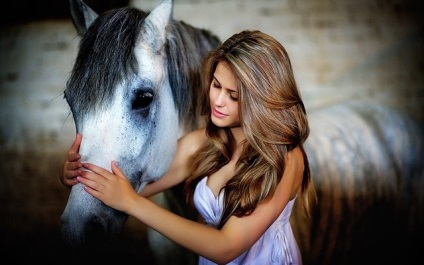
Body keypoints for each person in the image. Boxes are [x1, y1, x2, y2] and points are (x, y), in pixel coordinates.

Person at [61, 30, 316, 265]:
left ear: (262, 99)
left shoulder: (286, 159)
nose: (218, 100)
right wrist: (79, 175)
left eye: (233, 95)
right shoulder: (201, 143)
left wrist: (132, 204)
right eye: (216, 85)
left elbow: (226, 247)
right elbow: (129, 186)